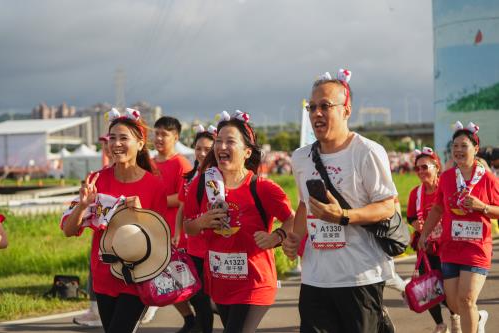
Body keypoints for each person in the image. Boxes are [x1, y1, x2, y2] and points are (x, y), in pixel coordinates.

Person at [283, 69, 397, 333]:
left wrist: (343, 216)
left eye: (325, 106)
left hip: (360, 277)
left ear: (346, 110)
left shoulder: (367, 152)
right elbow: (304, 204)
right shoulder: (301, 158)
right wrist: (295, 238)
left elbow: (387, 206)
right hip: (315, 278)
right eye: (312, 107)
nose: (316, 113)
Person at [183, 110, 294, 333]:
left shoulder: (263, 188)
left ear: (246, 152)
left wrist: (276, 237)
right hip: (220, 281)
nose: (221, 147)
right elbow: (188, 227)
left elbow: (291, 218)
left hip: (254, 282)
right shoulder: (202, 185)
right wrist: (202, 221)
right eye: (219, 141)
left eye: (230, 142)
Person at [62, 108, 167, 333]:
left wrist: (141, 215)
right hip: (103, 275)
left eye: (123, 138)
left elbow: (161, 239)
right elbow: (69, 231)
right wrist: (82, 205)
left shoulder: (154, 185)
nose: (116, 143)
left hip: (138, 276)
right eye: (112, 138)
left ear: (140, 144)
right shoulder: (96, 180)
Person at [418, 121, 499, 333]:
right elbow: (437, 209)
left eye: (464, 146)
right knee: (454, 304)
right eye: (455, 146)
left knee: (467, 299)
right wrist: (424, 233)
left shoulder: (488, 179)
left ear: (476, 149)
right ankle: (478, 318)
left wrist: (483, 207)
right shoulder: (445, 178)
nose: (458, 150)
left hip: (477, 247)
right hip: (450, 247)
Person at [145, 116, 194, 330]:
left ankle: (202, 317)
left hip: (176, 232)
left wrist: (155, 200)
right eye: (156, 133)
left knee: (182, 281)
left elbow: (184, 196)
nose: (159, 138)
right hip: (155, 232)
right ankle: (191, 320)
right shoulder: (150, 163)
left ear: (175, 137)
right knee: (166, 282)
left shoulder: (181, 163)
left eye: (164, 134)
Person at [407, 147, 459, 333]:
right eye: (417, 168)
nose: (421, 171)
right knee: (428, 287)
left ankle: (457, 317)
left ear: (437, 167)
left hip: (447, 246)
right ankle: (440, 324)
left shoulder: (447, 187)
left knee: (449, 288)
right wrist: (418, 226)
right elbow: (410, 216)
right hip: (426, 247)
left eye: (425, 167)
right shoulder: (416, 193)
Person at [177, 124, 216, 333]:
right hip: (192, 245)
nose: (201, 153)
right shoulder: (191, 176)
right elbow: (182, 208)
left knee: (219, 298)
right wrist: (177, 233)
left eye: (207, 149)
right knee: (198, 296)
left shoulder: (219, 177)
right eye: (198, 148)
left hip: (215, 246)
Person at [73, 135, 112, 328]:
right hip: (102, 241)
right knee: (95, 268)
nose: (110, 145)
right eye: (107, 141)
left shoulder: (144, 177)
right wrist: (83, 207)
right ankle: (95, 311)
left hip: (130, 247)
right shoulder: (99, 176)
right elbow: (69, 227)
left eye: (121, 138)